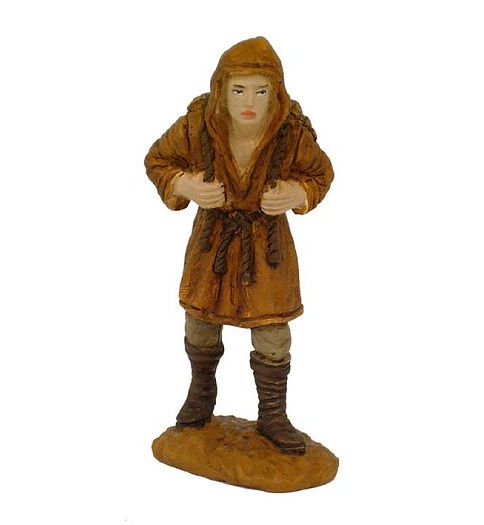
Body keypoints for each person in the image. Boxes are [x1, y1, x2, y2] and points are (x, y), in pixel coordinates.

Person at [145, 36, 333, 455]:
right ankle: (200, 394)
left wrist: (298, 192)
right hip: (213, 241)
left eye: (261, 91)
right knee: (200, 322)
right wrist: (186, 184)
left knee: (272, 330)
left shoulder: (290, 132)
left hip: (267, 249)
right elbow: (158, 159)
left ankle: (273, 414)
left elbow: (320, 173)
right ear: (221, 88)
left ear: (275, 92)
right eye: (239, 90)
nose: (249, 102)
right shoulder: (198, 125)